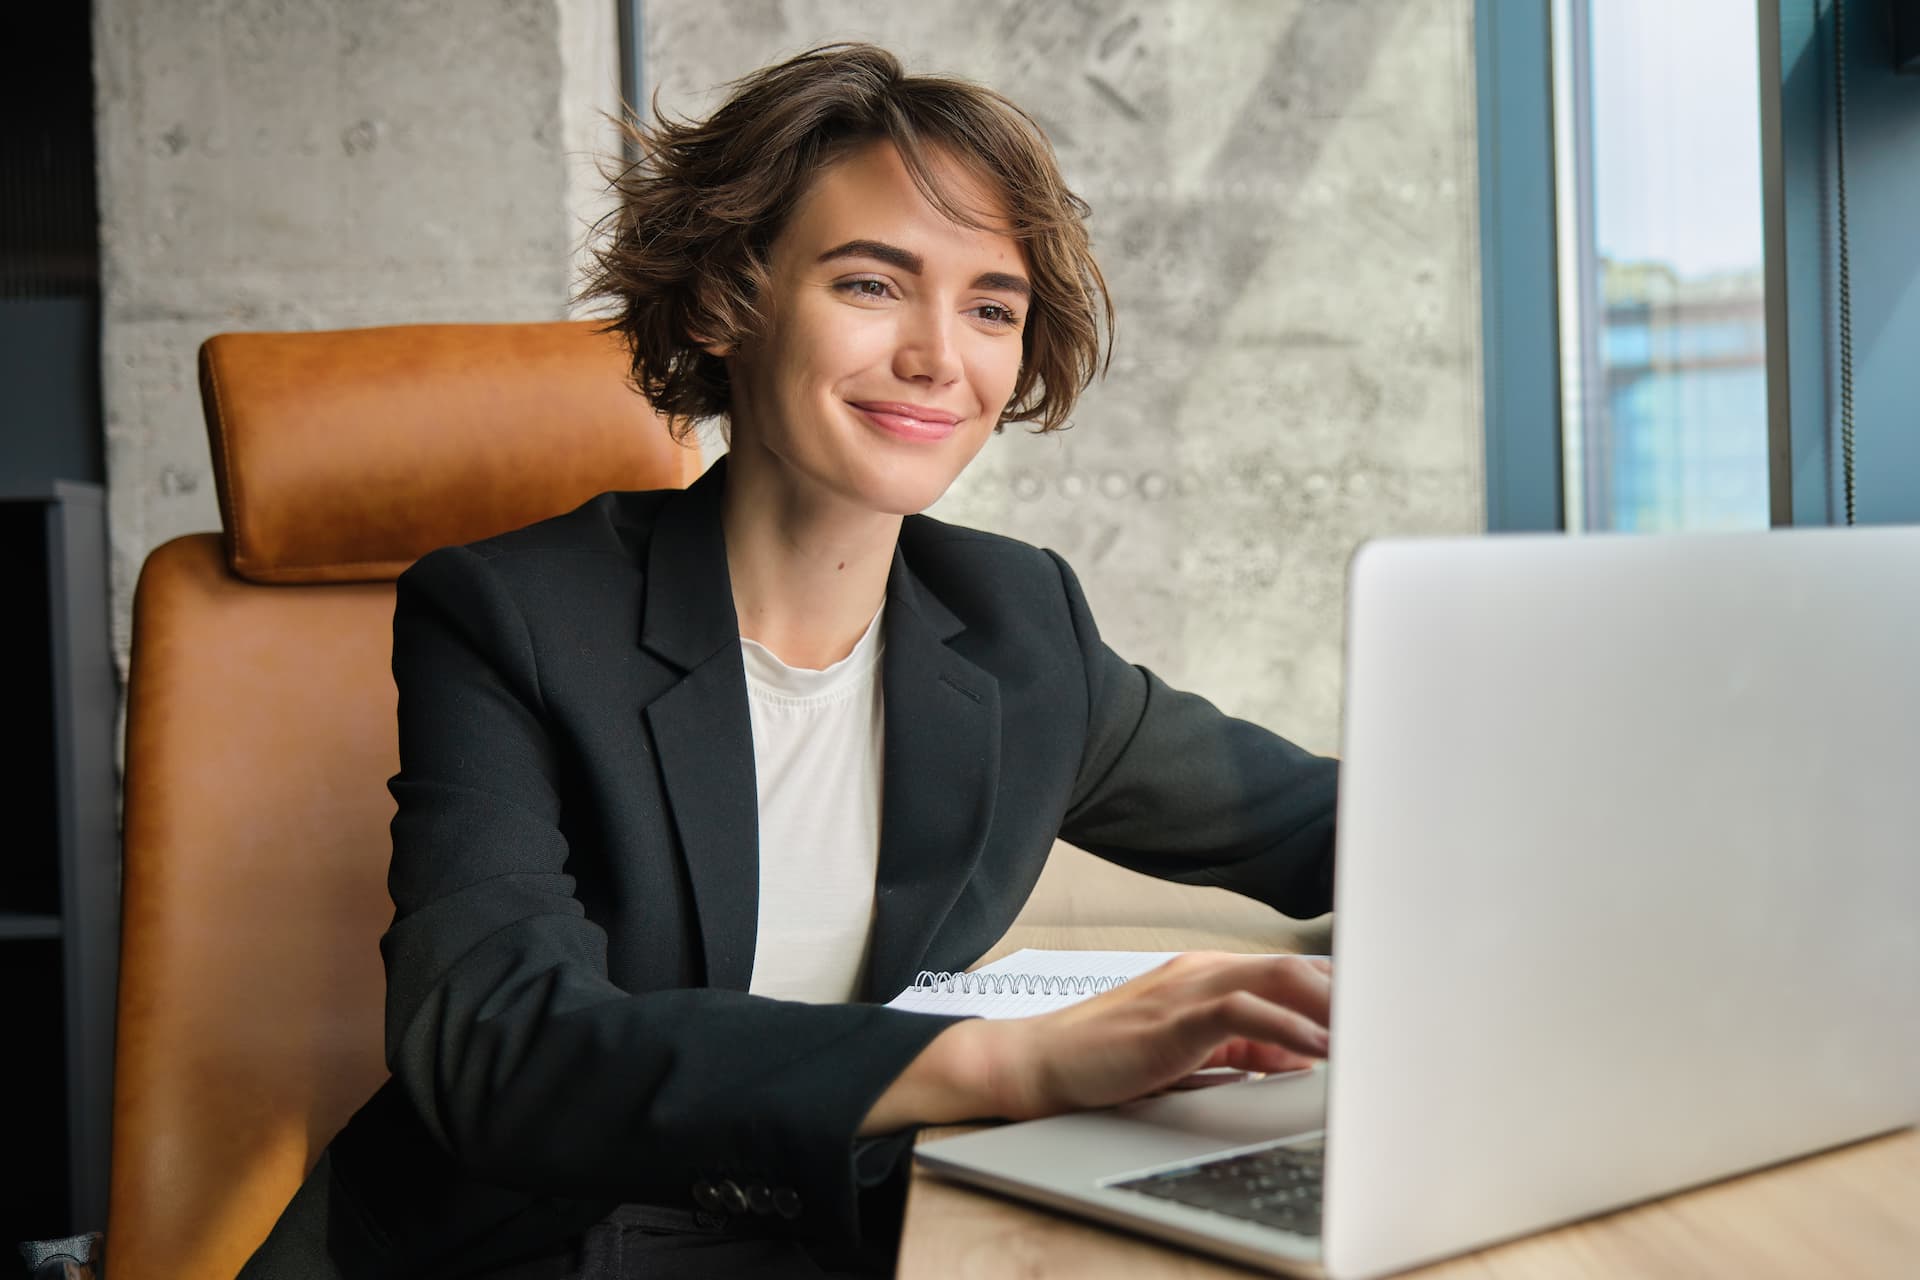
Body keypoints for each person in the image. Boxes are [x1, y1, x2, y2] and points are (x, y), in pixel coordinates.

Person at [240, 42, 1338, 1280]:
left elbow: (1337, 822)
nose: (940, 357)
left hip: (827, 1234)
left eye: (991, 306)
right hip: (515, 1244)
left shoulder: (1022, 622)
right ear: (726, 301)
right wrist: (1008, 1057)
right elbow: (500, 1048)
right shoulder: (513, 613)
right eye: (873, 284)